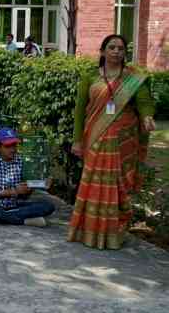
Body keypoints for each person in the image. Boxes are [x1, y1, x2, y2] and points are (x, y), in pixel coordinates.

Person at [68, 34, 156, 250]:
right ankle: (89, 232)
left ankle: (115, 232)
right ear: (103, 51)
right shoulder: (90, 77)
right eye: (112, 47)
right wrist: (77, 140)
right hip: (96, 139)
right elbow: (80, 110)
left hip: (123, 142)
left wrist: (147, 116)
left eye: (120, 48)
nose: (117, 51)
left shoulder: (133, 78)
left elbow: (145, 102)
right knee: (94, 185)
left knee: (118, 186)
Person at [0, 128, 55, 227]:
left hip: (16, 205)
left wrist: (41, 185)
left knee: (48, 206)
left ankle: (1, 217)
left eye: (14, 145)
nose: (12, 149)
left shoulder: (21, 161)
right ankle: (25, 221)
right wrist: (13, 191)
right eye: (8, 146)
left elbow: (28, 189)